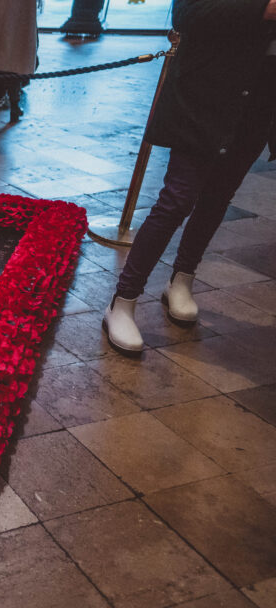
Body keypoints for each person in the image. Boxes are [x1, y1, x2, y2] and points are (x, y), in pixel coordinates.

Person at [103, 0, 276, 355]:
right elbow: (187, 13)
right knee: (178, 198)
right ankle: (124, 300)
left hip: (259, 99)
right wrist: (263, 10)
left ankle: (182, 278)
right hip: (206, 94)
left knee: (218, 196)